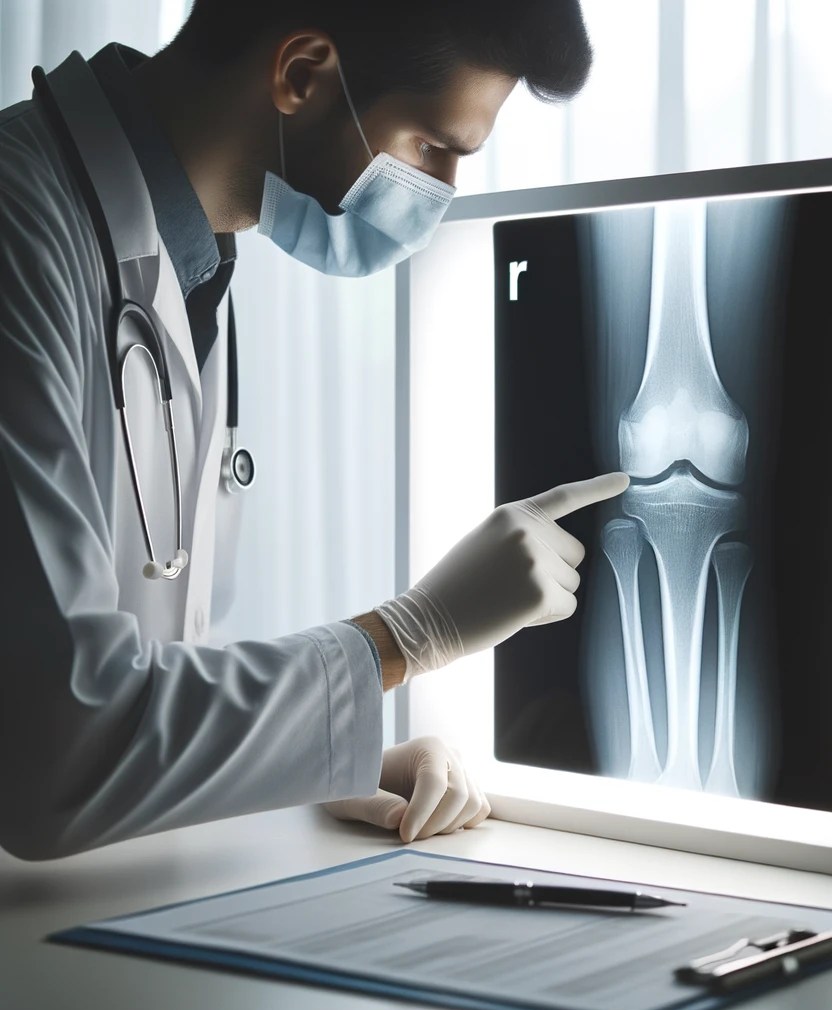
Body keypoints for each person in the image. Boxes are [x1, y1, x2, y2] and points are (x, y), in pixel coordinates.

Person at [0, 0, 628, 860]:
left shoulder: (186, 259)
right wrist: (408, 635)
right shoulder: (19, 232)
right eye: (433, 149)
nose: (441, 193)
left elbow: (135, 677)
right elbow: (58, 747)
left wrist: (327, 754)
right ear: (303, 73)